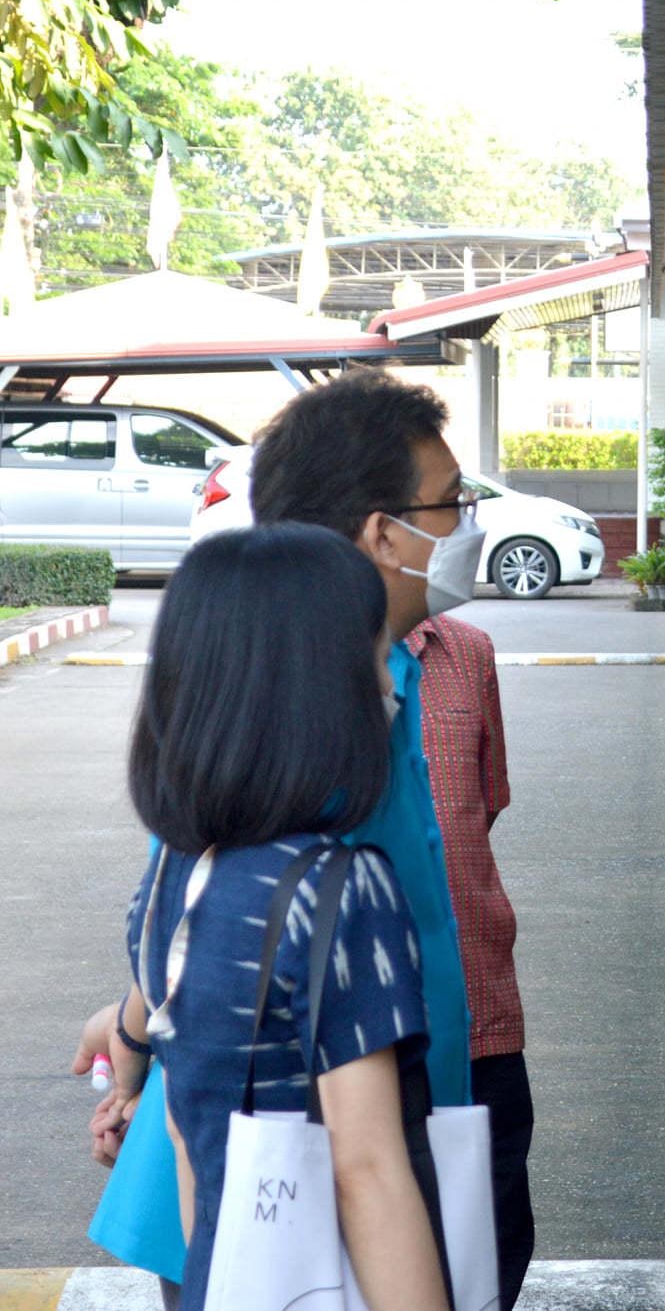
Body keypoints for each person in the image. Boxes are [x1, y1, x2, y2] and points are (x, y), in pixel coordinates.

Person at [82, 372, 488, 1304]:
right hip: (337, 1215)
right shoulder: (341, 878)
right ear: (383, 531)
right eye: (451, 504)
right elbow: (368, 1168)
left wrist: (134, 1043)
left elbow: (169, 984)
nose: (466, 524)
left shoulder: (195, 840)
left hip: (237, 1242)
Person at [116, 524, 449, 1311]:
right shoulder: (338, 891)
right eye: (374, 659)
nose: (390, 687)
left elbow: (187, 1141)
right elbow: (366, 1173)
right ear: (316, 694)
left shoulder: (174, 875)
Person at [405, 613, 534, 1307]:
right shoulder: (298, 649)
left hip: (477, 997)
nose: (461, 528)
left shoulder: (466, 651)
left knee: (495, 1217)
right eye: (448, 505)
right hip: (361, 1026)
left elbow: (484, 802)